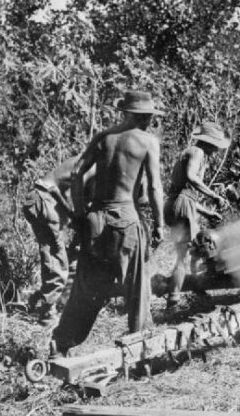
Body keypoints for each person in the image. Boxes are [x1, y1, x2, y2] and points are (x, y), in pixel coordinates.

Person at [50, 90, 165, 357]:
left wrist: (80, 212)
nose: (149, 120)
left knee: (86, 287)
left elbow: (78, 171)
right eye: (147, 116)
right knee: (137, 287)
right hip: (126, 220)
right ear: (140, 116)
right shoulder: (148, 142)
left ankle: (61, 343)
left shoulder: (104, 138)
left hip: (96, 219)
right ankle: (141, 349)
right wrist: (159, 224)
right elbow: (156, 187)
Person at [22, 156, 95, 325]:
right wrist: (75, 217)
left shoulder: (88, 161)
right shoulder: (92, 165)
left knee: (55, 254)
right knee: (56, 258)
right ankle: (47, 314)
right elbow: (73, 197)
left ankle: (45, 299)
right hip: (45, 199)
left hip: (40, 198)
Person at [164, 121, 230, 308]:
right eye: (215, 145)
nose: (216, 150)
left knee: (192, 251)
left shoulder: (190, 152)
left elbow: (185, 194)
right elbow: (192, 178)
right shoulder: (198, 152)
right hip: (182, 203)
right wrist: (214, 195)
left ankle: (196, 289)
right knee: (186, 254)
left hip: (177, 202)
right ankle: (174, 299)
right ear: (208, 142)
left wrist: (208, 212)